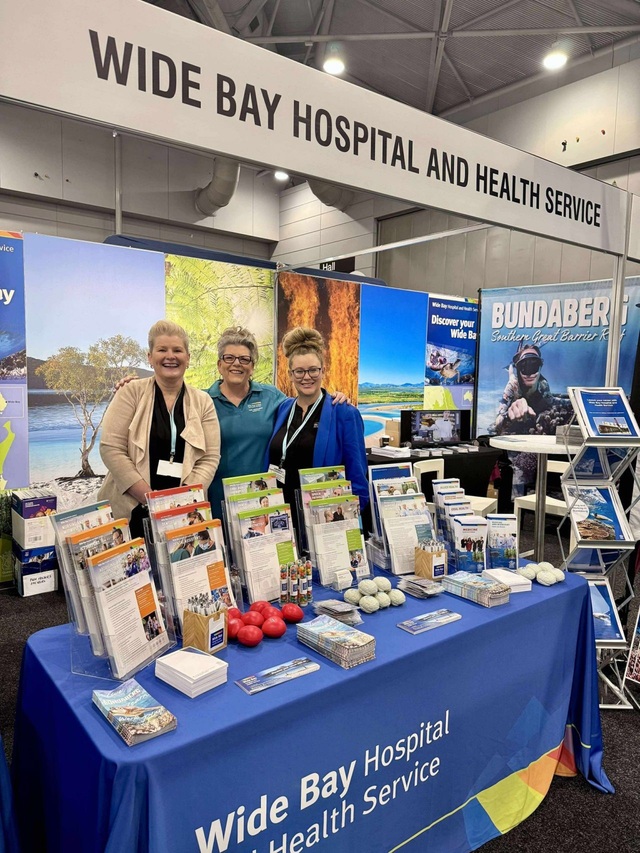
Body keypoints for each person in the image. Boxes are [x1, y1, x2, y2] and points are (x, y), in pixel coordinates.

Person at [98, 320, 221, 537]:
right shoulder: (130, 393)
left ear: (188, 358)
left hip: (185, 513)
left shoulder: (203, 402)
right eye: (162, 350)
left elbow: (210, 458)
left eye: (177, 350)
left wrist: (182, 502)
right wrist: (152, 501)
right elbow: (111, 448)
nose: (170, 356)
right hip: (132, 510)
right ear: (150, 357)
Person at [265, 327, 369, 531]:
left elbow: (357, 477)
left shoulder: (344, 413)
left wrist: (346, 524)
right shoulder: (283, 409)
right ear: (290, 374)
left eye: (313, 370)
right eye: (299, 371)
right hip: (282, 517)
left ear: (323, 371)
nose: (307, 377)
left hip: (323, 522)